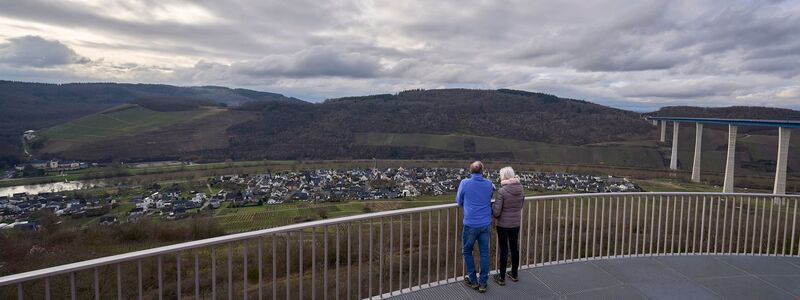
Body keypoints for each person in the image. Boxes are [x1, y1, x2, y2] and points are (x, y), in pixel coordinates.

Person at [456, 161, 494, 293]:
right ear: (482, 171)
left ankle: (473, 280)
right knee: (484, 253)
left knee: (467, 251)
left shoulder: (465, 183)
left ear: (470, 171)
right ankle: (483, 283)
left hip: (470, 223)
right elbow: (490, 197)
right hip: (485, 223)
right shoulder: (489, 184)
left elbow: (458, 201)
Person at [491, 166, 524, 286]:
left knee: (504, 249)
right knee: (514, 247)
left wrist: (492, 207)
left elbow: (497, 212)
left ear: (504, 176)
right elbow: (521, 205)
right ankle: (514, 274)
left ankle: (502, 277)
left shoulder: (502, 191)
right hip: (516, 223)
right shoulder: (521, 188)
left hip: (503, 225)